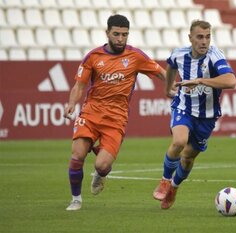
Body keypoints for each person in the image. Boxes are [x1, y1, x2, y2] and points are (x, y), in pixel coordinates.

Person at [63, 14, 166, 211]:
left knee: (102, 165)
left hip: (116, 119)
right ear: (107, 33)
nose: (120, 38)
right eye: (116, 34)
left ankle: (100, 176)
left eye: (124, 35)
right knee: (77, 155)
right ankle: (76, 199)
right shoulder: (93, 57)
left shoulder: (135, 56)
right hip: (91, 114)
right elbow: (79, 85)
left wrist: (171, 87)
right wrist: (71, 104)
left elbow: (161, 71)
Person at [152, 20, 236, 209]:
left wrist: (200, 80)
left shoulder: (215, 56)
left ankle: (173, 188)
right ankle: (165, 180)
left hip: (206, 117)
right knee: (179, 141)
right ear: (190, 38)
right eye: (200, 37)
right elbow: (171, 66)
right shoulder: (179, 54)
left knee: (188, 157)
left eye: (208, 37)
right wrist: (168, 89)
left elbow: (231, 81)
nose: (204, 42)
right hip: (183, 107)